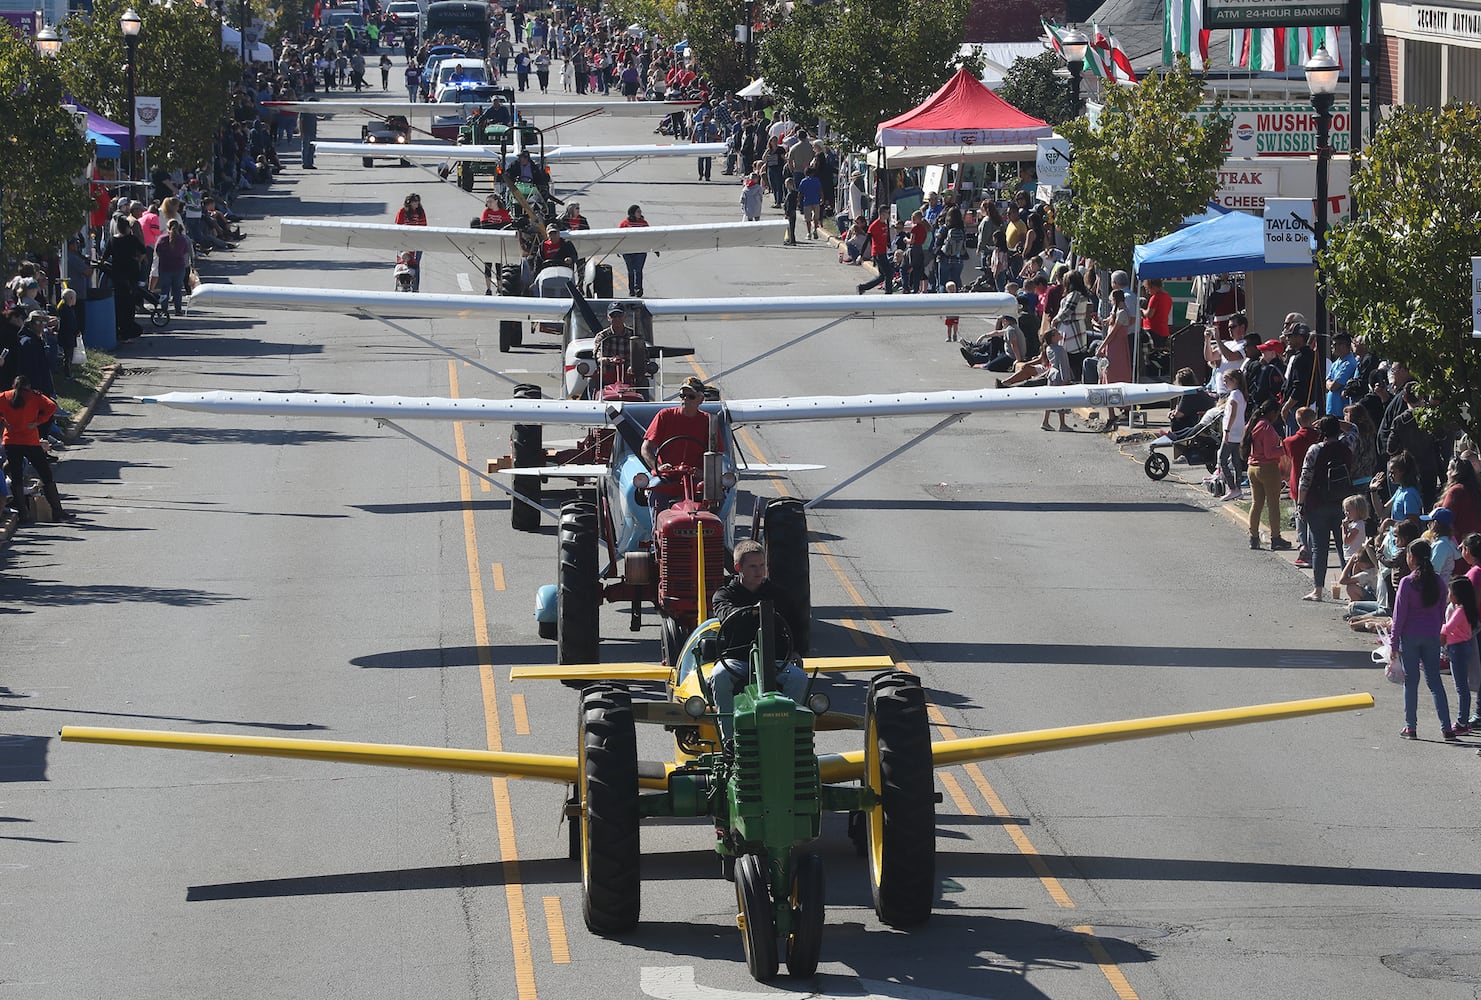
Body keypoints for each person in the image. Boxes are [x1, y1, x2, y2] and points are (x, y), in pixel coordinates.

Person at [708, 539, 809, 738]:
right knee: (719, 675)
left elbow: (797, 625)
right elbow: (726, 614)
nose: (759, 571)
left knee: (799, 678)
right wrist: (753, 612)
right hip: (737, 661)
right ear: (738, 568)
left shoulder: (779, 594)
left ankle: (785, 735)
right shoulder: (724, 595)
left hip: (775, 661)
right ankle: (729, 740)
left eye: (762, 565)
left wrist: (797, 650)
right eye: (753, 566)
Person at [1392, 538, 1453, 740]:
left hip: (1410, 636)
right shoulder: (1438, 582)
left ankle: (1411, 727)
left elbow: (1399, 615)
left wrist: (1393, 643)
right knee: (1435, 682)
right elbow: (1441, 610)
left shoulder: (1407, 582)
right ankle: (1446, 727)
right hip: (1431, 636)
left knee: (1410, 682)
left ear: (1412, 558)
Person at [1297, 415, 1354, 601]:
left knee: (1319, 548)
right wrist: (1339, 422)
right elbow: (1355, 429)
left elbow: (1305, 479)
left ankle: (1318, 590)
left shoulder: (1314, 450)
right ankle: (1351, 591)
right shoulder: (1347, 446)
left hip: (1317, 502)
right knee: (1343, 547)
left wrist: (1300, 504)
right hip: (1342, 504)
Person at [1, 376, 72, 522]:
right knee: (45, 474)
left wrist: (3, 421)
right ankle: (57, 511)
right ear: (28, 385)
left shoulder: (5, 396)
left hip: (11, 440)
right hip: (30, 441)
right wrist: (38, 421)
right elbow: (52, 406)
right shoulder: (34, 396)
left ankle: (23, 514)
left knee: (16, 476)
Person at [641, 376, 718, 508]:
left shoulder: (709, 421)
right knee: (655, 489)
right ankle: (656, 526)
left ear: (701, 400)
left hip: (696, 478)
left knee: (716, 495)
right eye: (683, 395)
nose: (685, 399)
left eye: (691, 396)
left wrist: (705, 473)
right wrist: (658, 467)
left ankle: (713, 525)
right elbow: (646, 448)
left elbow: (717, 454)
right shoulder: (664, 416)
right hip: (667, 477)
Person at [1245, 399, 1292, 550]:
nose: (1277, 416)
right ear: (1272, 413)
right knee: (1273, 505)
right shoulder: (1267, 428)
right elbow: (1270, 453)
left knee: (1256, 503)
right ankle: (1276, 538)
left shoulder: (1253, 424)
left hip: (1252, 467)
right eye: (1277, 413)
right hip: (1267, 468)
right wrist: (1284, 447)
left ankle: (1253, 537)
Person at [1443, 576, 1478, 735]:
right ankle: (1463, 720)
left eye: (1450, 591)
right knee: (1462, 686)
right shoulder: (1467, 609)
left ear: (1456, 595)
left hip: (1457, 648)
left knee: (1461, 688)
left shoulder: (1460, 611)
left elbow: (1448, 628)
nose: (1448, 594)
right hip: (1462, 647)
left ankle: (1462, 722)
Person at [1096, 287, 1134, 429]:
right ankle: (1112, 412)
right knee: (1108, 377)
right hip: (1114, 347)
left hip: (1116, 347)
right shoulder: (1118, 312)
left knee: (1114, 376)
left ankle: (1122, 409)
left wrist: (1101, 346)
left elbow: (1113, 334)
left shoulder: (1123, 313)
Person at [1217, 368, 1248, 502]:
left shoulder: (1234, 395)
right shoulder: (1240, 394)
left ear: (1234, 381)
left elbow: (1232, 414)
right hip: (1239, 431)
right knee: (1236, 461)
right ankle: (1237, 488)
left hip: (1232, 432)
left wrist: (1227, 431)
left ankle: (1232, 487)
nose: (1224, 383)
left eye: (1226, 381)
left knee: (1222, 460)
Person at [153, 219, 193, 317]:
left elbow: (157, 252)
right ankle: (178, 310)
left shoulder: (162, 239)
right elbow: (185, 253)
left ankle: (163, 309)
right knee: (177, 290)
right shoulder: (182, 239)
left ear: (167, 227)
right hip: (179, 267)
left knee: (164, 290)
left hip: (165, 267)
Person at [394, 193, 427, 291]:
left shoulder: (420, 212)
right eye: (415, 201)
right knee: (402, 260)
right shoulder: (402, 211)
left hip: (417, 241)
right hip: (404, 241)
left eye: (418, 201)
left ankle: (415, 288)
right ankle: (403, 281)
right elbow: (397, 226)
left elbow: (424, 225)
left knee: (415, 263)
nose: (417, 203)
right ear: (410, 202)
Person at [617, 204, 650, 297]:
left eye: (640, 212)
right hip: (628, 251)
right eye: (638, 212)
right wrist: (617, 249)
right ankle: (631, 289)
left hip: (640, 250)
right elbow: (619, 236)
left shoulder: (644, 223)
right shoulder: (624, 223)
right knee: (631, 270)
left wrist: (654, 248)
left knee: (638, 269)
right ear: (632, 213)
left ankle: (638, 288)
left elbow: (650, 236)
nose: (640, 213)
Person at [857, 211, 893, 295]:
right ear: (882, 214)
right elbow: (867, 241)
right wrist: (861, 255)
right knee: (888, 273)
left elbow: (886, 237)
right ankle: (888, 293)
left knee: (882, 276)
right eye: (887, 213)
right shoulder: (874, 226)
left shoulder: (885, 224)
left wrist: (889, 245)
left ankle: (862, 287)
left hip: (883, 251)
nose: (889, 215)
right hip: (877, 252)